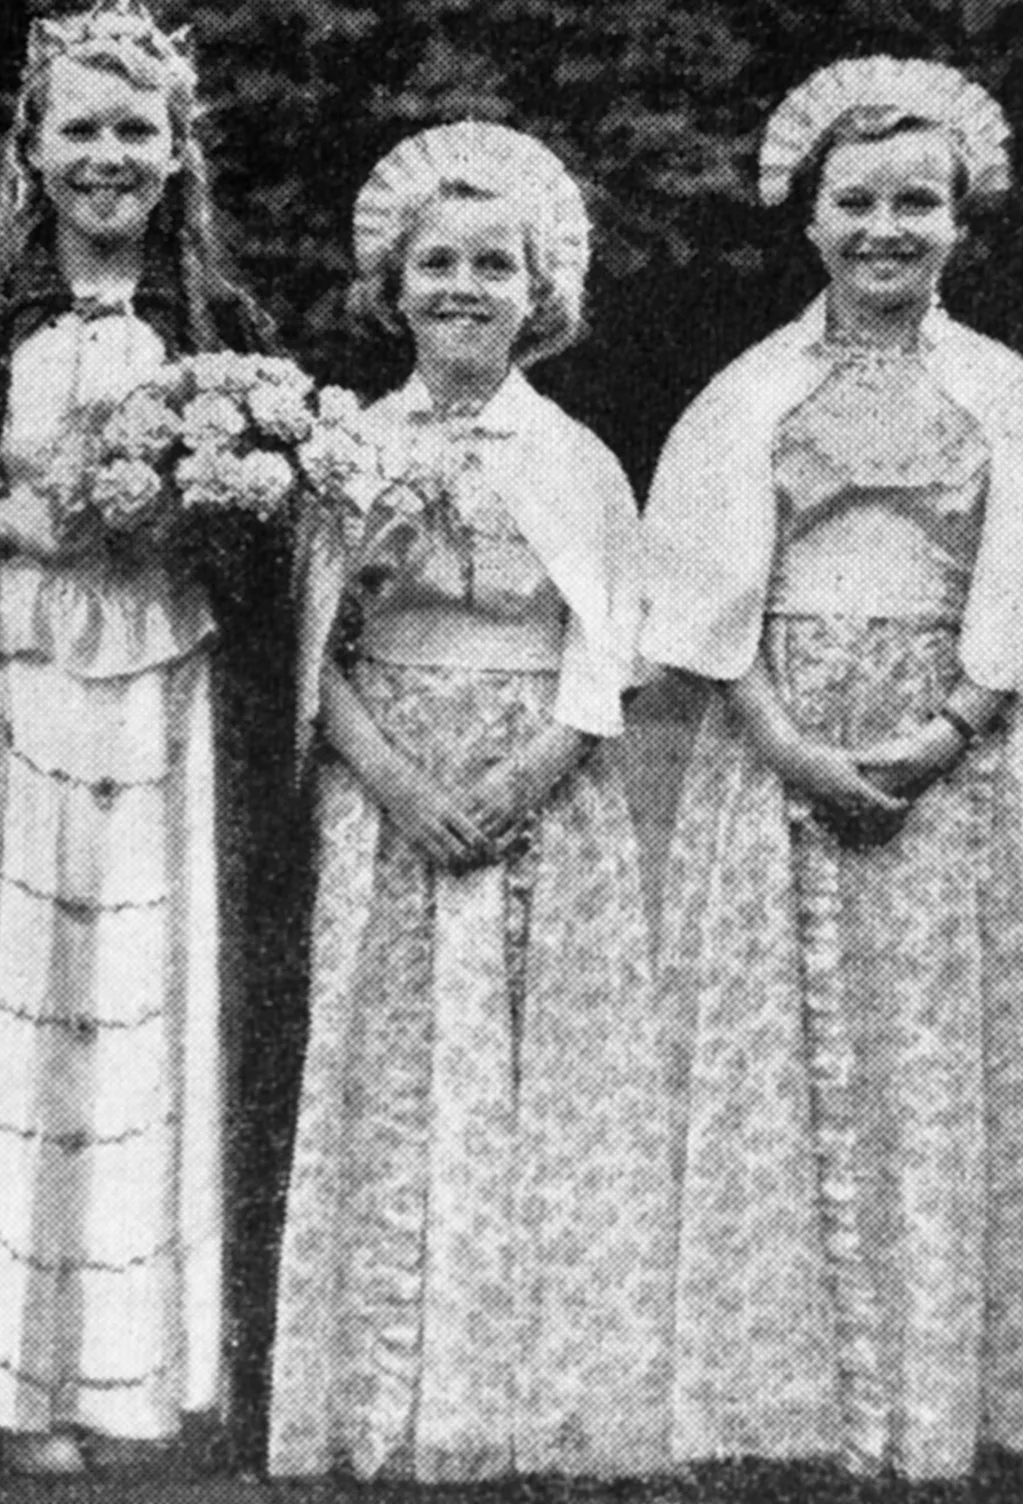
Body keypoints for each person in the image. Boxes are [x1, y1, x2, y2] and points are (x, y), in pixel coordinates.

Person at [642, 57, 1023, 1487]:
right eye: (856, 201)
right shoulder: (750, 393)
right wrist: (788, 742)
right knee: (783, 1058)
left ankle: (941, 1393)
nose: (886, 228)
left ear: (960, 221)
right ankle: (776, 1395)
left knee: (942, 1062)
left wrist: (944, 732)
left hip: (954, 760)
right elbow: (701, 595)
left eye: (916, 203)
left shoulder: (1004, 394)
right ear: (807, 219)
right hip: (784, 746)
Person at [0, 0, 299, 1475]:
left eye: (138, 128)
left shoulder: (227, 334)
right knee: (20, 1016)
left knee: (156, 1013)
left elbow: (278, 569)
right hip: (15, 714)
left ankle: (146, 1374)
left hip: (171, 718)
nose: (109, 155)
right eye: (80, 127)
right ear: (31, 150)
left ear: (181, 152)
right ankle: (17, 1378)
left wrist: (203, 504)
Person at [267, 122, 669, 1485]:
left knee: (536, 1081)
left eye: (493, 264)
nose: (462, 287)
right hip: (388, 799)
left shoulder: (576, 458)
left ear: (536, 291)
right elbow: (309, 652)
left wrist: (517, 777)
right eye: (435, 263)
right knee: (397, 1083)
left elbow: (610, 647)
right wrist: (391, 780)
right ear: (393, 285)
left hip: (538, 803)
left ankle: (533, 1396)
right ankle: (385, 1386)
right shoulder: (340, 450)